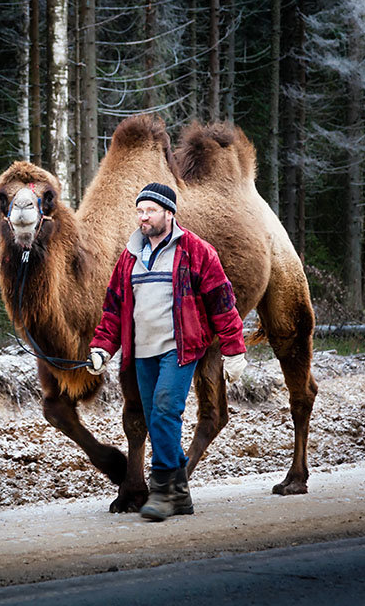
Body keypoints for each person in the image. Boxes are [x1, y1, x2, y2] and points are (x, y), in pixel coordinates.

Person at [86, 182, 247, 521]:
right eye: (140, 211)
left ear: (169, 213)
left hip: (181, 349)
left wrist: (233, 350)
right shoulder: (130, 256)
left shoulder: (196, 251)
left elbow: (222, 302)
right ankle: (181, 493)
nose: (143, 217)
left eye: (151, 210)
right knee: (155, 417)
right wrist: (102, 347)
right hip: (141, 353)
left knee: (163, 411)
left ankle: (160, 491)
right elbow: (114, 307)